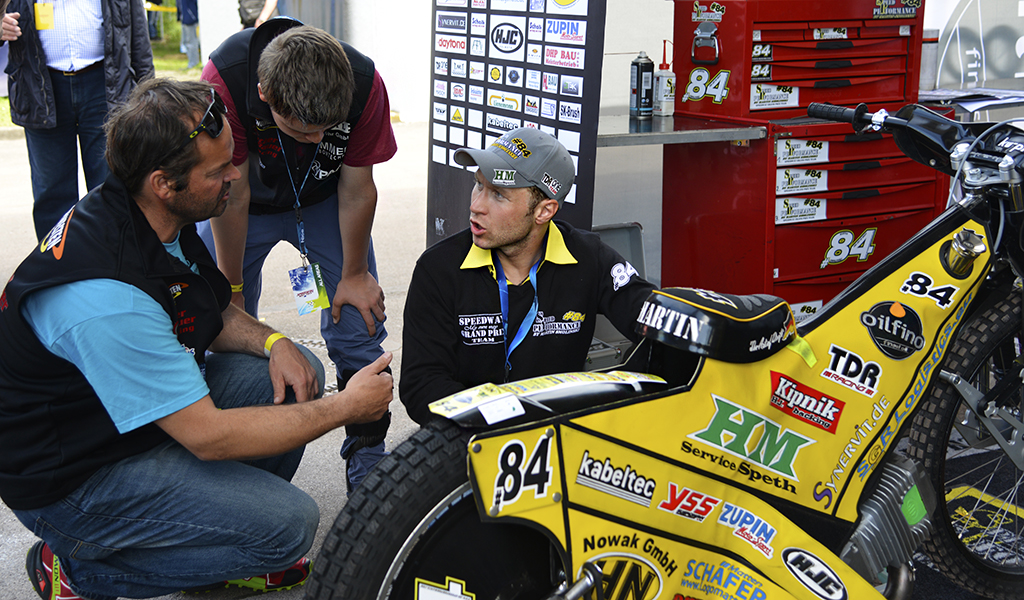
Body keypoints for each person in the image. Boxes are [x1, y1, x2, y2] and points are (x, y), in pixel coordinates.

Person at [0, 78, 394, 600]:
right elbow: (208, 436)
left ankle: (216, 542)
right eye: (219, 171)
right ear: (165, 182)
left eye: (233, 159)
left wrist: (275, 342)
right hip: (74, 478)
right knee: (289, 526)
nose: (236, 176)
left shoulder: (154, 210)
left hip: (118, 422)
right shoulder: (108, 294)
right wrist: (346, 409)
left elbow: (210, 310)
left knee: (298, 370)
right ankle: (77, 568)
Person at [199, 18, 396, 492]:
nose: (313, 141)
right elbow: (233, 192)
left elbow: (357, 187)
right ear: (265, 93)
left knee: (359, 318)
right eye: (300, 131)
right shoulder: (225, 80)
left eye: (324, 131)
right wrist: (233, 292)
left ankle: (367, 450)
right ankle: (224, 443)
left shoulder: (364, 83)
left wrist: (353, 274)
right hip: (244, 203)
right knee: (212, 319)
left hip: (326, 201)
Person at [400, 128, 657, 425]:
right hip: (465, 443)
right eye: (478, 185)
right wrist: (503, 423)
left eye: (498, 194)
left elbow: (655, 319)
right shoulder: (438, 269)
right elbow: (421, 386)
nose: (476, 206)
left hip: (559, 440)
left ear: (544, 211)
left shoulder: (590, 258)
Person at [1, 0, 154, 240]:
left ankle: (114, 264)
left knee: (111, 185)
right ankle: (58, 268)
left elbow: (138, 35)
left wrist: (148, 93)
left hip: (105, 86)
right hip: (40, 87)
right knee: (52, 192)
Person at [177, 0, 199, 70]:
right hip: (185, 19)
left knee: (191, 42)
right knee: (187, 42)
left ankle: (193, 63)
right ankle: (191, 62)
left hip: (190, 19)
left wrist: (192, 16)